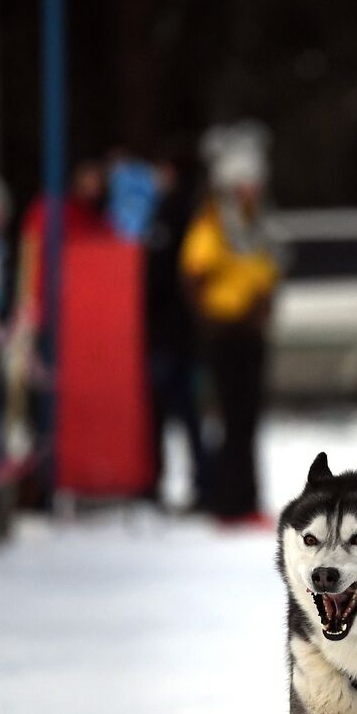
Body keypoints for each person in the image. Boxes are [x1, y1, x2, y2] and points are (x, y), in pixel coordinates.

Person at [180, 125, 279, 526]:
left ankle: (246, 500)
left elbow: (266, 268)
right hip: (227, 333)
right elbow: (195, 270)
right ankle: (227, 503)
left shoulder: (254, 226)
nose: (251, 191)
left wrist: (263, 300)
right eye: (245, 184)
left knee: (248, 418)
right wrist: (216, 313)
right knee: (233, 418)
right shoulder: (214, 224)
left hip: (250, 332)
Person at [143, 149, 208, 511]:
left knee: (162, 414)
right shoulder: (196, 213)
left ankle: (157, 482)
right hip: (186, 334)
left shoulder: (169, 214)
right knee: (190, 415)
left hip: (167, 334)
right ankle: (201, 482)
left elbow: (158, 278)